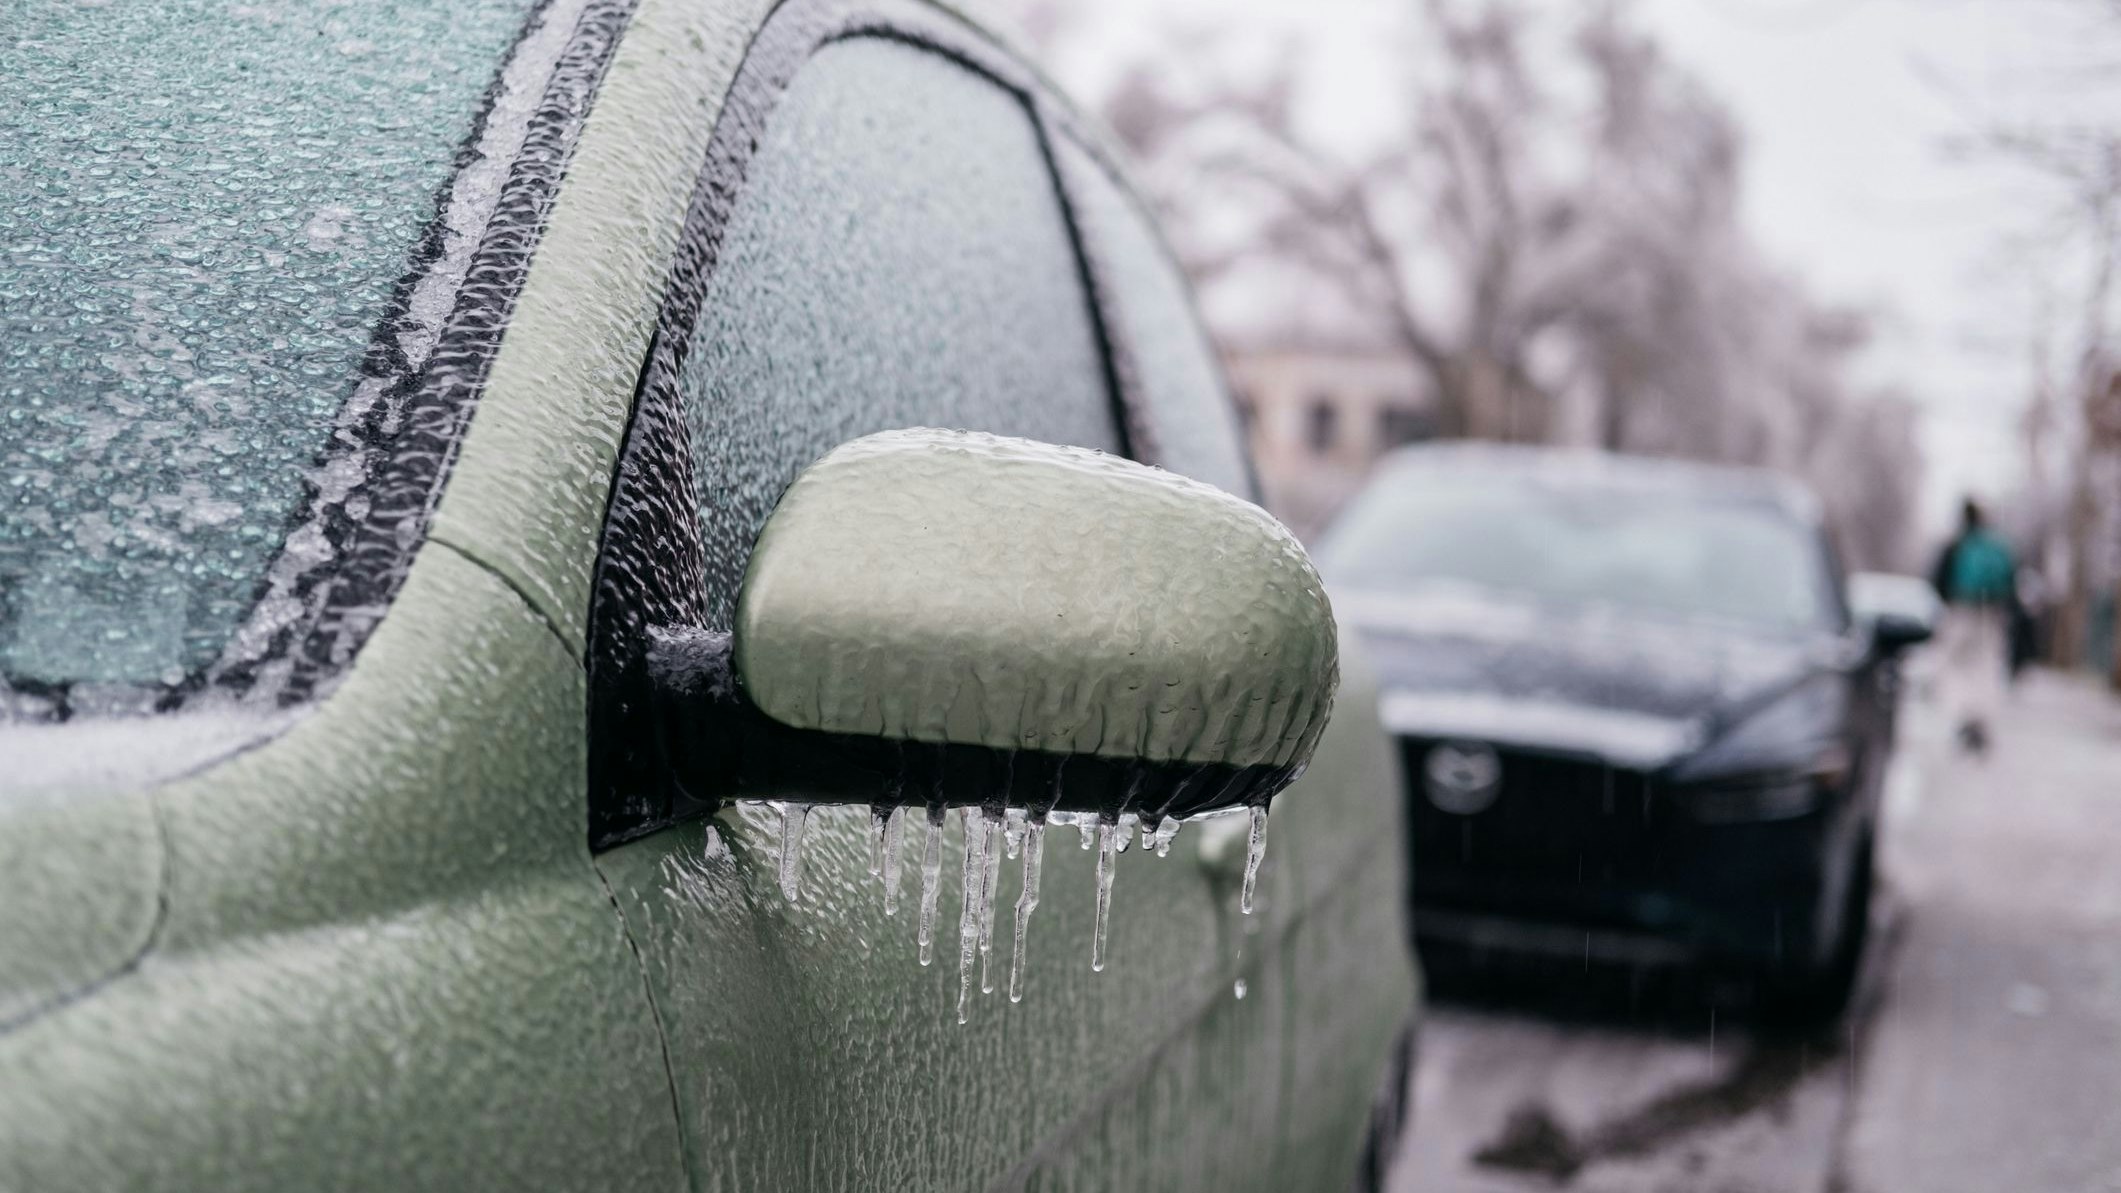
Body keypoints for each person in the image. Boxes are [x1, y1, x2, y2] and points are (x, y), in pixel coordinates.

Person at [1928, 498, 2018, 753]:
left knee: (1955, 665)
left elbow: (1937, 580)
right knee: (1987, 666)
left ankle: (1964, 717)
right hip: (1992, 615)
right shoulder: (1998, 546)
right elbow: (2012, 584)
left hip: (1960, 612)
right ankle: (1981, 718)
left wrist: (1949, 603)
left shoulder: (1956, 544)